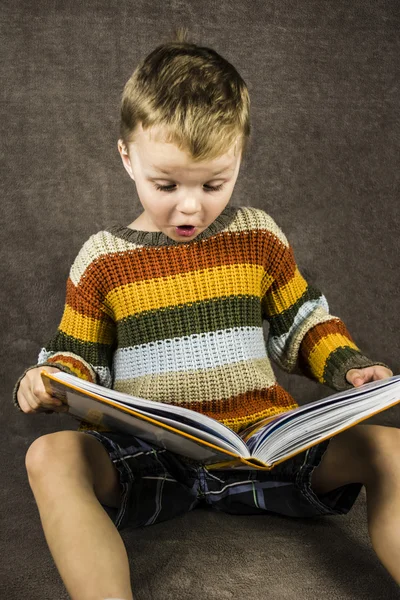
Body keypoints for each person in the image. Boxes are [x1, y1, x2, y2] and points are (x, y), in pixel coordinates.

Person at [13, 29, 398, 600]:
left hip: (265, 447)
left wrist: (351, 367)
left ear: (238, 155)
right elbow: (80, 355)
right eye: (165, 184)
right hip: (152, 458)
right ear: (127, 156)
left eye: (214, 183)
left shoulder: (256, 235)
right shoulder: (102, 259)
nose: (190, 205)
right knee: (47, 455)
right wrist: (50, 380)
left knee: (389, 447)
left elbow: (302, 326)